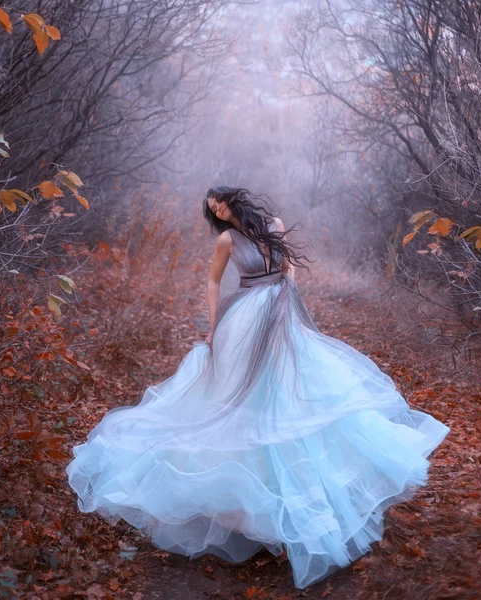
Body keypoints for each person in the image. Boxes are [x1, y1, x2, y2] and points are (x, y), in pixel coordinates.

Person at [66, 186, 450, 590]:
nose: (219, 211)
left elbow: (288, 269)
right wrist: (214, 326)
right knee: (242, 400)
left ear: (234, 200)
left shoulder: (273, 225)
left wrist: (289, 297)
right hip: (244, 318)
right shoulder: (226, 240)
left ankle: (298, 502)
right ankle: (249, 513)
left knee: (289, 393)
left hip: (281, 312)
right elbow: (213, 283)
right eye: (214, 210)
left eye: (221, 203)